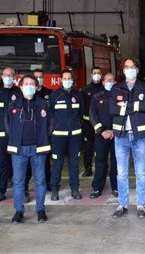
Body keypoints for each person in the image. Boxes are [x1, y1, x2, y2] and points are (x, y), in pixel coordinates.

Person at [110, 57, 145, 219]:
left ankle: (141, 205)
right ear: (122, 70)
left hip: (139, 135)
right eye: (127, 67)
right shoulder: (116, 88)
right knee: (121, 173)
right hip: (120, 136)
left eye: (132, 66)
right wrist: (133, 107)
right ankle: (122, 204)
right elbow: (112, 109)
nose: (130, 69)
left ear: (138, 69)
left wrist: (124, 106)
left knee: (141, 172)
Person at [5, 74, 50, 223]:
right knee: (18, 181)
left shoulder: (44, 104)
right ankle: (19, 211)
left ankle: (40, 210)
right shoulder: (13, 105)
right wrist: (15, 138)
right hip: (19, 149)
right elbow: (7, 124)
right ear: (21, 86)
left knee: (40, 181)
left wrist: (44, 137)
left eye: (32, 84)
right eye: (26, 84)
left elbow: (51, 123)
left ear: (37, 87)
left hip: (38, 148)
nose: (29, 86)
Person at [49, 70, 84, 201]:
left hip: (75, 136)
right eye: (65, 78)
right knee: (57, 163)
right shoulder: (55, 95)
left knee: (74, 163)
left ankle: (74, 189)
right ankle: (54, 190)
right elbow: (50, 115)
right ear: (61, 80)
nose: (67, 80)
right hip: (58, 136)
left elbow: (81, 113)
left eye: (69, 78)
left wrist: (78, 126)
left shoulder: (78, 95)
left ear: (73, 80)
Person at [0, 67, 22, 203]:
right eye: (6, 75)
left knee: (19, 163)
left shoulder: (20, 93)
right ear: (2, 76)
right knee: (1, 163)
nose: (8, 77)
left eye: (11, 75)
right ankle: (0, 191)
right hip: (0, 134)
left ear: (15, 77)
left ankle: (21, 190)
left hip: (17, 134)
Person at [89, 73, 118, 198]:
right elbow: (92, 115)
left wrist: (114, 131)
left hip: (117, 134)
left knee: (116, 162)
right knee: (100, 161)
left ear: (115, 82)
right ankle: (97, 188)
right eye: (107, 80)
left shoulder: (120, 96)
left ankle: (116, 187)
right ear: (103, 82)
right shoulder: (96, 97)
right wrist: (102, 131)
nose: (109, 82)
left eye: (111, 80)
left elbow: (123, 115)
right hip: (101, 135)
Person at [82, 67, 105, 177]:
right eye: (94, 73)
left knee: (102, 147)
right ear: (91, 75)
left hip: (102, 123)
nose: (96, 75)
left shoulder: (105, 89)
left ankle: (103, 168)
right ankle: (88, 168)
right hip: (88, 124)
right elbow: (82, 107)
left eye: (99, 73)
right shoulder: (86, 90)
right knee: (88, 147)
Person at [33, 69, 52, 187]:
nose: (38, 79)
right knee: (28, 162)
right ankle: (25, 187)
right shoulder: (26, 94)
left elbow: (52, 114)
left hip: (44, 132)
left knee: (45, 160)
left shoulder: (49, 93)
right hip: (29, 132)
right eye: (36, 77)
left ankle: (48, 182)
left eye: (40, 77)